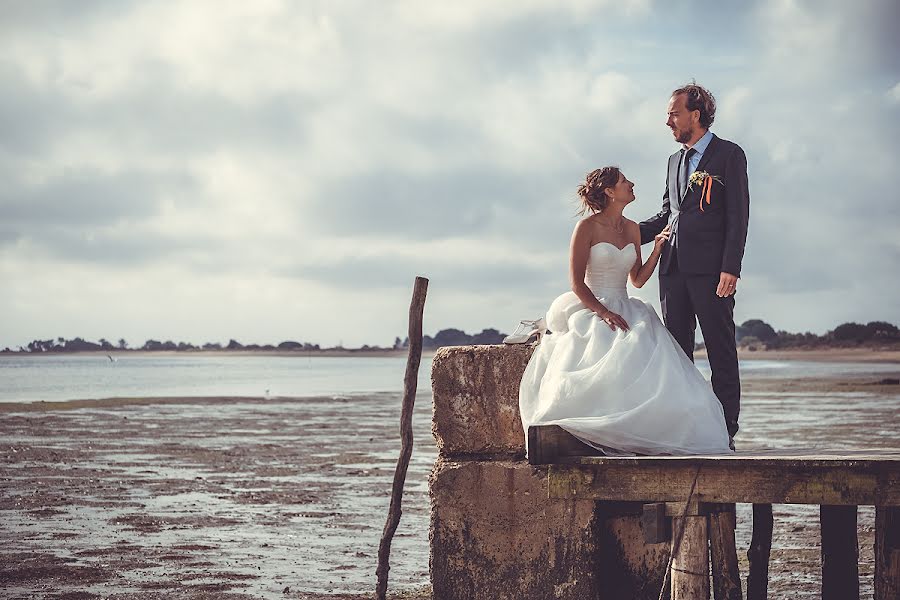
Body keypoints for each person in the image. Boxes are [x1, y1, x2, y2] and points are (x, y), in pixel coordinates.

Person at [518, 167, 733, 456]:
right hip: (593, 304)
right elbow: (576, 283)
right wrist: (603, 313)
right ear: (609, 191)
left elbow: (638, 279)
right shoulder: (586, 228)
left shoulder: (632, 228)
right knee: (604, 349)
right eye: (623, 181)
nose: (631, 184)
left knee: (647, 348)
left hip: (626, 303)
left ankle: (651, 433)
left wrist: (657, 249)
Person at [639, 82, 750, 447]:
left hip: (712, 272)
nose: (667, 121)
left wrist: (730, 267)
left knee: (720, 349)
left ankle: (725, 432)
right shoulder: (673, 162)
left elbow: (738, 216)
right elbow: (667, 214)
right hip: (672, 270)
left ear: (695, 114)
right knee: (677, 354)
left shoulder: (729, 155)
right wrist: (617, 232)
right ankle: (686, 430)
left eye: (673, 113)